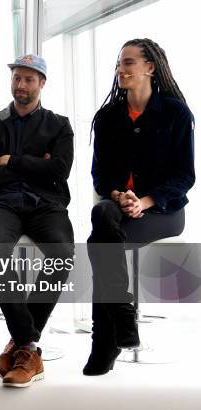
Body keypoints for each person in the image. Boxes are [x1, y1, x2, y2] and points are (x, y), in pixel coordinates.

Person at [85, 38, 194, 375]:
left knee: (100, 241)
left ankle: (106, 341)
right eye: (119, 63)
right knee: (103, 214)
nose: (121, 69)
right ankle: (122, 317)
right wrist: (119, 196)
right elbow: (100, 175)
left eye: (129, 62)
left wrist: (144, 201)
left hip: (164, 212)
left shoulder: (176, 113)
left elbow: (184, 176)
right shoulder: (107, 118)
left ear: (149, 67)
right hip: (120, 208)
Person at [0, 54, 75, 388]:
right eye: (17, 78)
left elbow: (59, 171)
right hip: (0, 203)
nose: (21, 85)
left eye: (29, 79)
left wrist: (11, 160)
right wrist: (35, 165)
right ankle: (28, 345)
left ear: (42, 83)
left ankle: (18, 345)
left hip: (46, 204)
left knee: (62, 253)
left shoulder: (59, 124)